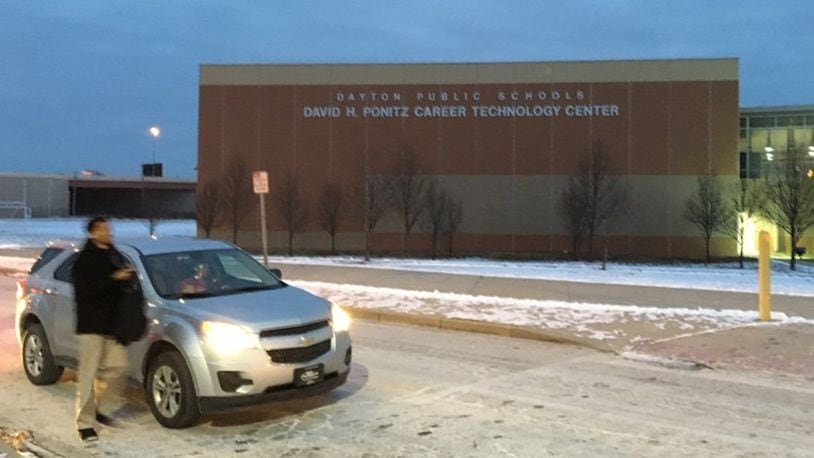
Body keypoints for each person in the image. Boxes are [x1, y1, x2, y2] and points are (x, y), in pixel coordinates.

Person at [72, 217, 133, 443]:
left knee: (118, 367)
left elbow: (120, 285)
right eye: (103, 229)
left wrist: (127, 278)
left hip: (113, 325)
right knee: (88, 374)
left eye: (109, 229)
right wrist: (113, 279)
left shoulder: (113, 254)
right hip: (91, 325)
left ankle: (103, 409)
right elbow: (85, 292)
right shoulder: (84, 260)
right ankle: (85, 423)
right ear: (92, 233)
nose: (108, 232)